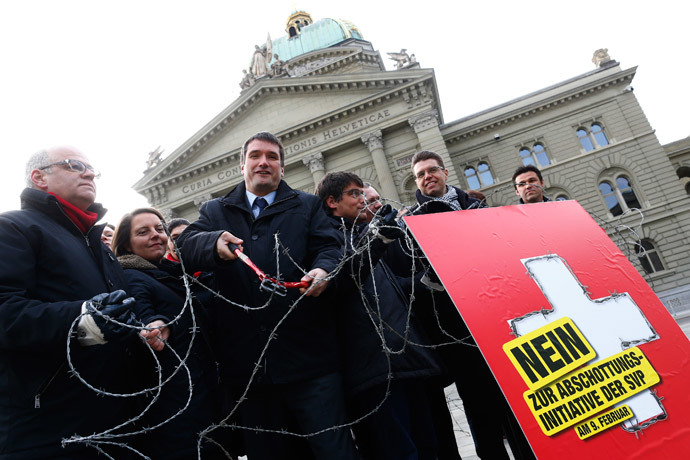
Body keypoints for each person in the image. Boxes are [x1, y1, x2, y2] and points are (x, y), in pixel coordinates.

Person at [178, 131, 358, 460]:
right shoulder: (215, 212)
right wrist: (212, 242)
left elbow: (332, 248)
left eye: (272, 157)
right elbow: (184, 246)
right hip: (250, 371)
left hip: (311, 365)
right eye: (256, 155)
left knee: (334, 451)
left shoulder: (308, 205)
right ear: (242, 164)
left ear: (282, 168)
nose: (264, 162)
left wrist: (323, 271)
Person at [0, 146, 137, 459]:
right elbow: (4, 311)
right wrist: (81, 319)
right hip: (46, 432)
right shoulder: (12, 228)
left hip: (117, 423)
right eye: (75, 165)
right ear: (39, 178)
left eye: (92, 170)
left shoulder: (99, 247)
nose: (89, 173)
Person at [401, 150, 535, 460]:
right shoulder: (408, 223)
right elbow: (412, 276)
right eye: (420, 174)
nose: (427, 177)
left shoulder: (476, 207)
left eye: (431, 170)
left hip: (498, 321)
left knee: (517, 399)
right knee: (478, 407)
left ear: (445, 173)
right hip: (455, 333)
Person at [316, 172, 444, 459]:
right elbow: (345, 284)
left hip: (405, 360)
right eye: (355, 194)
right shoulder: (325, 245)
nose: (363, 200)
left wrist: (426, 283)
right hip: (374, 372)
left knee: (429, 449)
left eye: (365, 193)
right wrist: (377, 242)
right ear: (332, 202)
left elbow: (387, 291)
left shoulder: (364, 234)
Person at [112, 208, 225, 459]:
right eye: (143, 232)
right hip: (177, 402)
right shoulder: (130, 277)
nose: (155, 235)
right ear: (126, 245)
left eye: (159, 229)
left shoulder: (167, 273)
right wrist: (153, 323)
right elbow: (141, 309)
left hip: (199, 391)